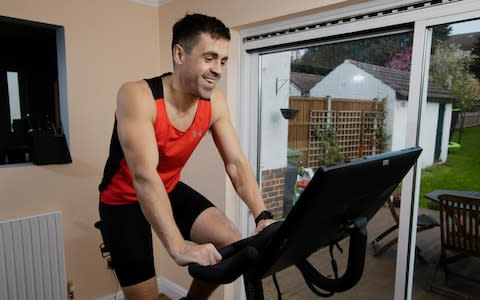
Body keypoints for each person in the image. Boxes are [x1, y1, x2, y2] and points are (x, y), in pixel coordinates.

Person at [98, 13, 274, 300]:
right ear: (180, 54)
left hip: (167, 188)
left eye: (223, 61)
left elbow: (236, 163)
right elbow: (144, 176)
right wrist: (178, 246)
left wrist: (262, 215)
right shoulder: (137, 96)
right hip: (123, 201)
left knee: (234, 245)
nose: (218, 69)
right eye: (210, 57)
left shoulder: (214, 102)